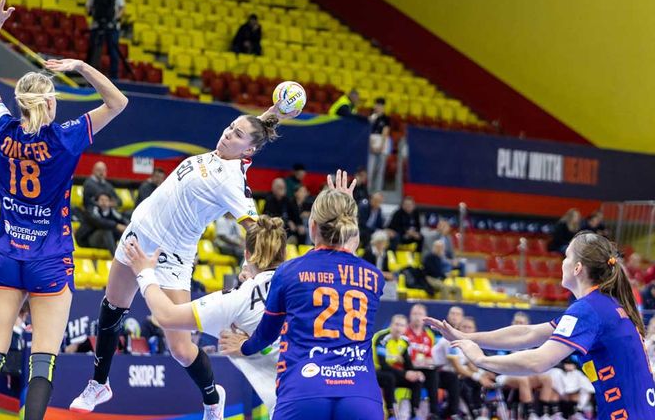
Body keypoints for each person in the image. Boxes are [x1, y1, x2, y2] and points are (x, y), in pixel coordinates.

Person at [70, 101, 300, 418]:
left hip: (170, 258)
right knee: (112, 308)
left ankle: (211, 397)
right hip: (137, 235)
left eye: (236, 135)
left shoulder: (233, 182)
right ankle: (99, 383)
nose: (227, 134)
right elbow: (253, 128)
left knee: (180, 349)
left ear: (249, 150)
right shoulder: (226, 150)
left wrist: (251, 266)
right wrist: (276, 109)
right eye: (230, 127)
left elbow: (256, 230)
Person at [0, 0, 128, 420]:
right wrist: (80, 66)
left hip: (6, 257)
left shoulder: (3, 130)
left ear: (20, 104)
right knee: (43, 361)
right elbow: (118, 102)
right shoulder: (67, 137)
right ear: (50, 103)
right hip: (51, 260)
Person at [428, 231, 655, 420]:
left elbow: (538, 360)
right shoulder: (603, 305)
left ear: (577, 268)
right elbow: (529, 333)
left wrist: (481, 360)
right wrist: (469, 337)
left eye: (566, 257)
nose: (562, 263)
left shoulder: (589, 309)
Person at [219, 171, 385, 420]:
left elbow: (266, 335)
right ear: (350, 227)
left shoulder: (288, 272)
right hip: (360, 395)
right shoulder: (373, 277)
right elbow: (348, 254)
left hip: (304, 391)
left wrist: (243, 347)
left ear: (313, 226)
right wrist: (348, 209)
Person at [123, 215, 287, 416]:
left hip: (291, 405)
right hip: (330, 387)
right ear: (284, 253)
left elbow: (166, 315)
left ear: (247, 254)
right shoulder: (304, 281)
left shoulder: (239, 298)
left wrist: (145, 272)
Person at [372, 314, 425, 419]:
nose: (398, 328)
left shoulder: (405, 341)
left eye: (401, 325)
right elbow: (383, 365)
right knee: (389, 377)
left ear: (405, 328)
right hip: (374, 371)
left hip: (391, 372)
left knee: (417, 380)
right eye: (396, 324)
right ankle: (391, 412)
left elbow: (408, 364)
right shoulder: (382, 338)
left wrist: (415, 373)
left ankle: (414, 414)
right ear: (391, 325)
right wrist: (405, 374)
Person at [86, 0, 125, 79]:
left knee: (113, 52)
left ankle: (114, 77)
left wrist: (114, 19)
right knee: (93, 51)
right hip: (97, 25)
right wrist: (93, 14)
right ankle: (90, 76)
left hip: (112, 27)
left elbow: (122, 8)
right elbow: (88, 6)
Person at [264, 177, 304, 243]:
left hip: (288, 229)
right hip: (275, 227)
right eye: (280, 187)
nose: (282, 189)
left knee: (302, 230)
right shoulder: (269, 200)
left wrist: (299, 224)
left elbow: (295, 215)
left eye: (284, 187)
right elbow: (268, 216)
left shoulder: (288, 200)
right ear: (274, 188)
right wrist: (287, 221)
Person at [367, 97, 390, 193]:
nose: (378, 107)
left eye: (380, 105)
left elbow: (385, 132)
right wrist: (371, 145)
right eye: (377, 105)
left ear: (383, 107)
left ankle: (377, 192)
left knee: (380, 171)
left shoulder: (386, 118)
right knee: (370, 170)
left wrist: (381, 146)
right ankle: (367, 191)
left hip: (382, 144)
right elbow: (368, 131)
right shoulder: (371, 117)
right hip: (371, 143)